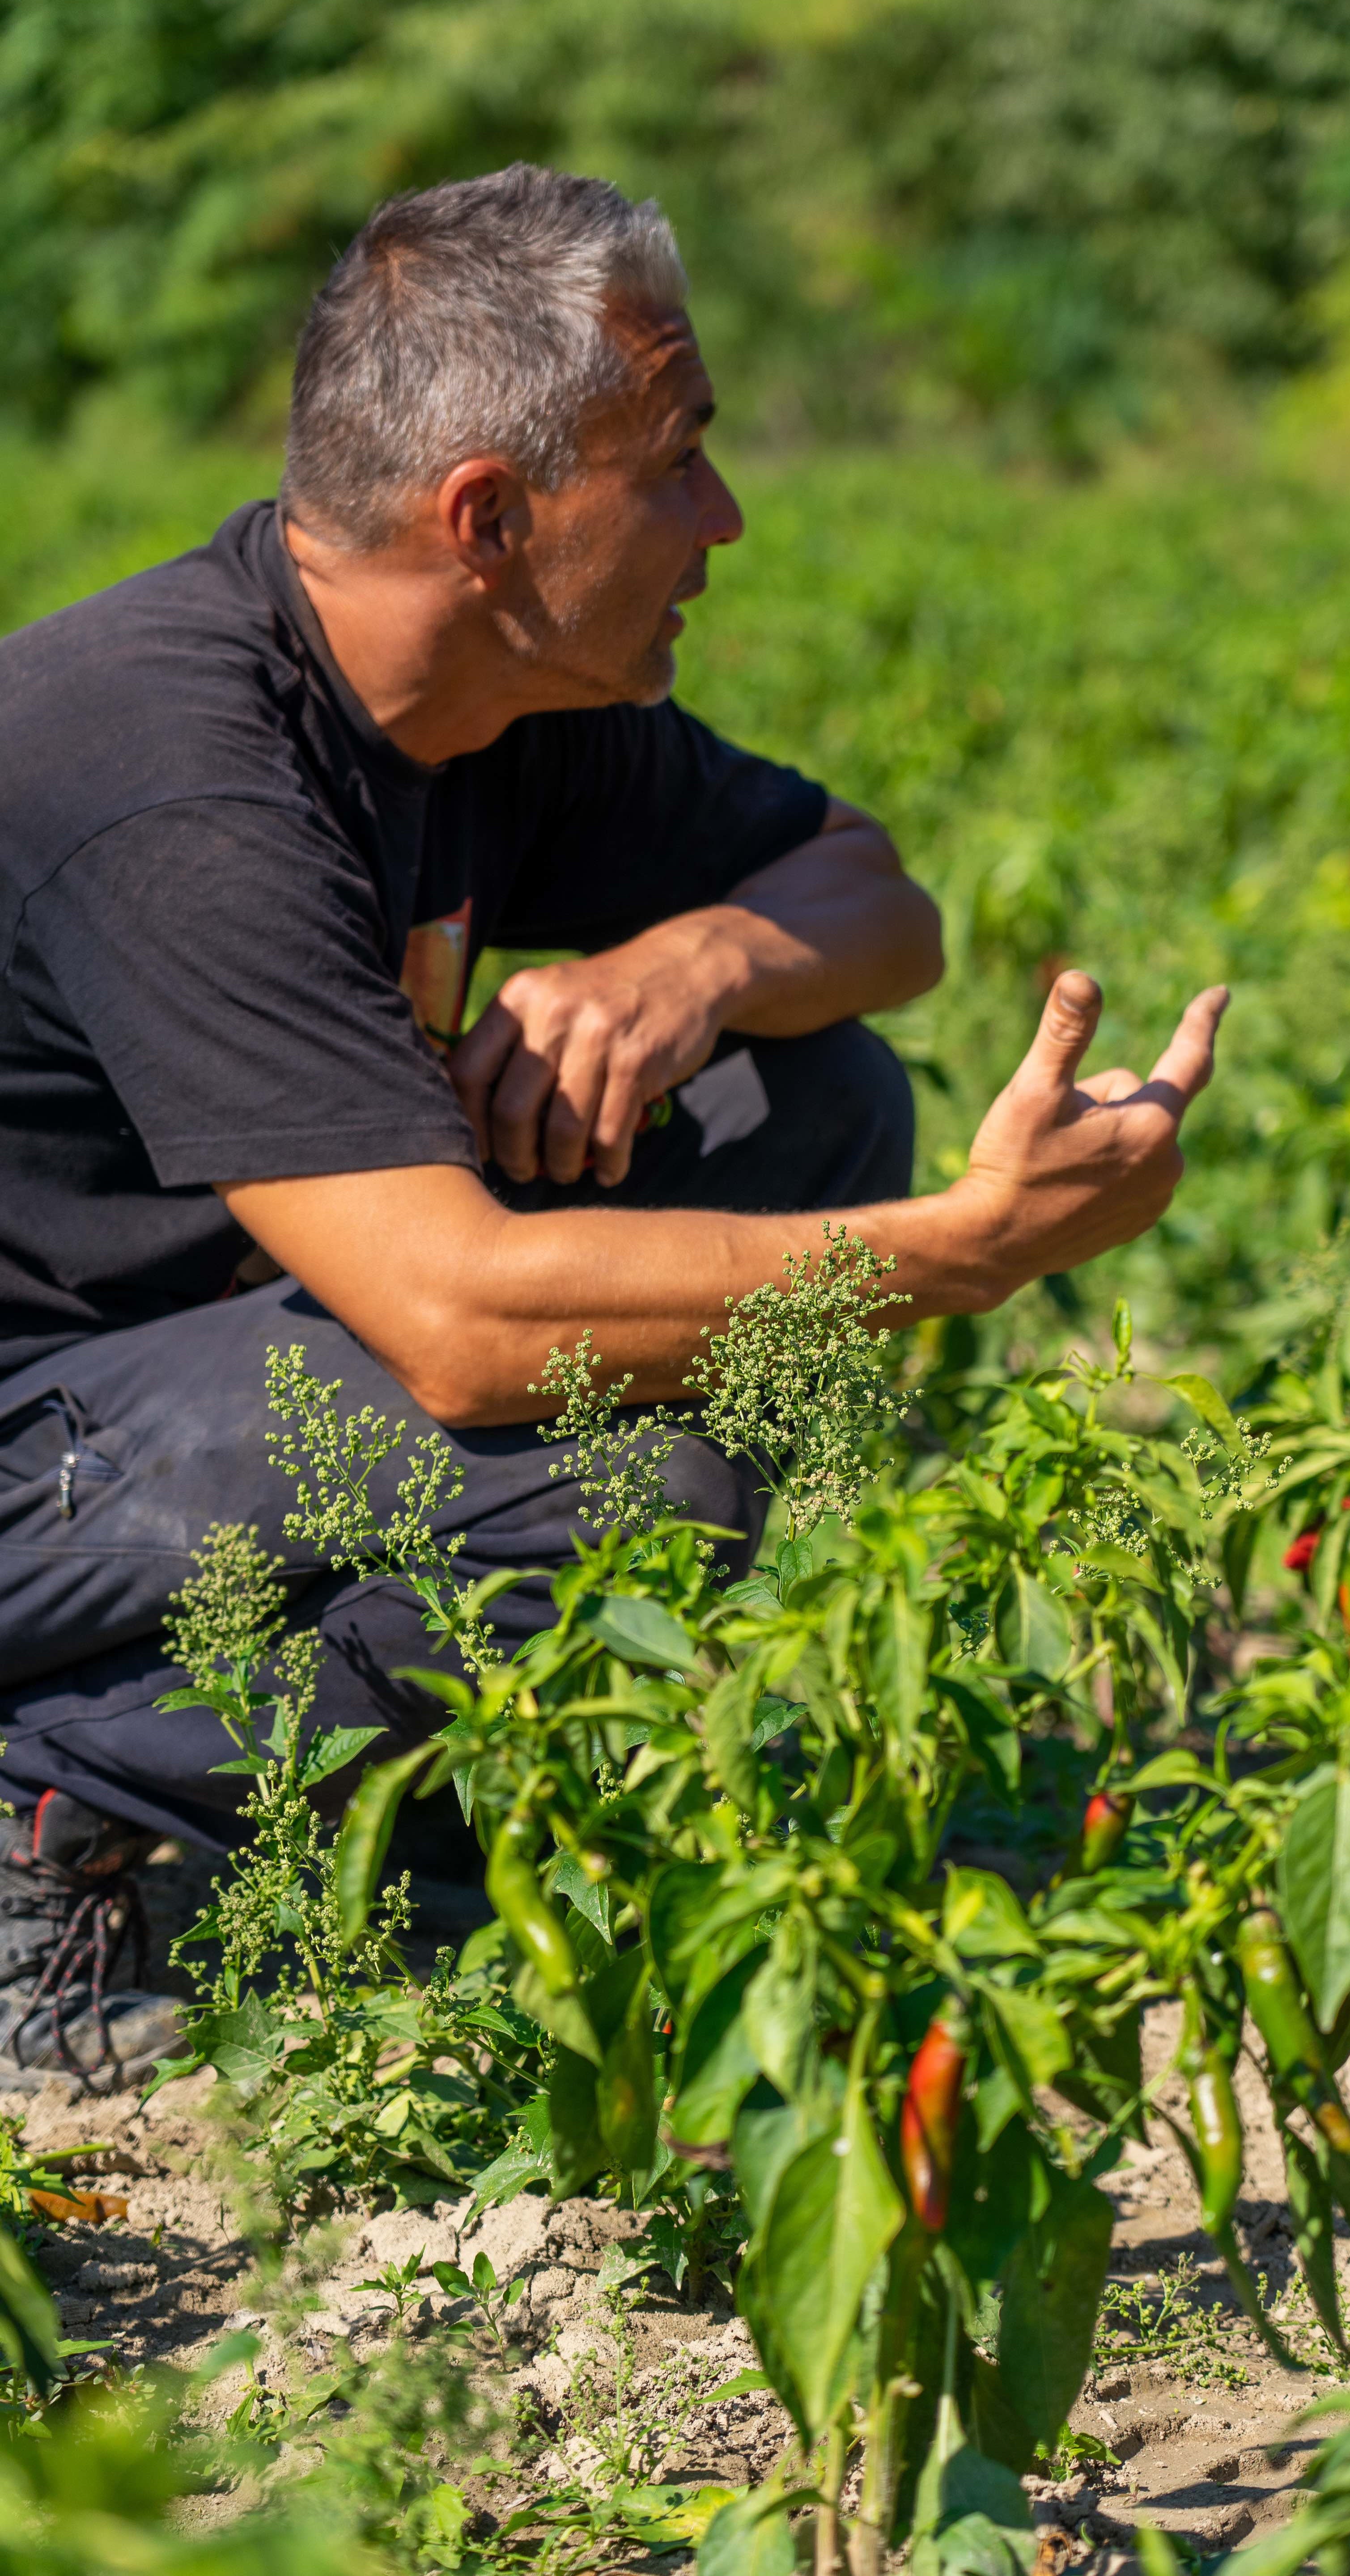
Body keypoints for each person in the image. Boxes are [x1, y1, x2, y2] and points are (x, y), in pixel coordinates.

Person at [0, 164, 1228, 2089]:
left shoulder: (500, 696)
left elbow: (878, 904)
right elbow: (469, 1325)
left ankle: (383, 1811)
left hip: (189, 1369)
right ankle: (67, 1819)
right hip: (36, 1425)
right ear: (490, 518)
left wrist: (704, 959)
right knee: (609, 1461)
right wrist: (974, 1252)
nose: (723, 521)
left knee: (803, 1093)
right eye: (674, 465)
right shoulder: (170, 769)